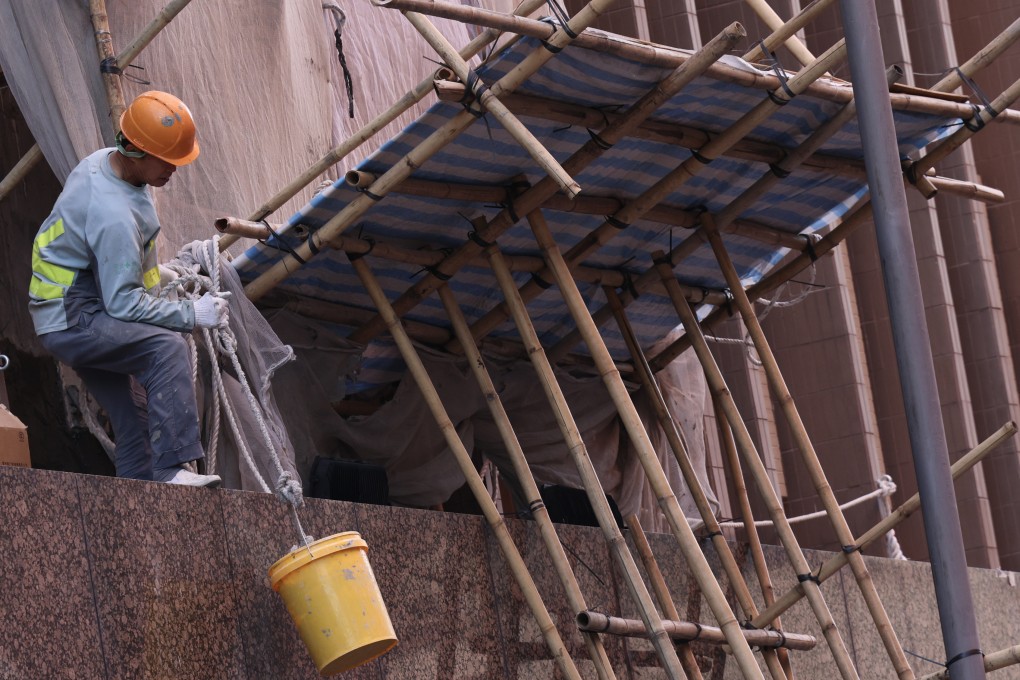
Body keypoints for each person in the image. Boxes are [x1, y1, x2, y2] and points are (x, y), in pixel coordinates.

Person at [28, 90, 226, 487]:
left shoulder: (102, 162)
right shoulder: (113, 213)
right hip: (74, 315)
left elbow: (118, 264)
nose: (174, 169)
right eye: (168, 160)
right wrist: (191, 314)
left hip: (67, 307)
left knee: (134, 411)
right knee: (165, 348)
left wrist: (163, 279)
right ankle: (171, 469)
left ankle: (137, 493)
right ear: (137, 150)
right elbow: (121, 302)